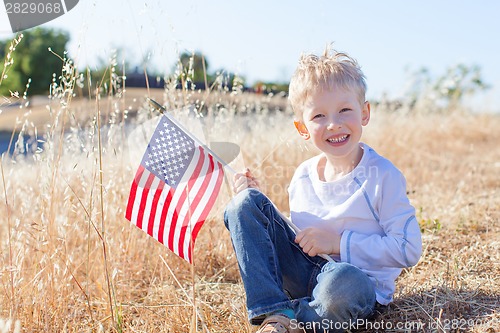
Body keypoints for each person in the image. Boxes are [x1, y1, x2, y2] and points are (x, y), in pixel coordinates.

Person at [224, 46, 422, 333]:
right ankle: (274, 313)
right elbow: (300, 240)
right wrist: (260, 203)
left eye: (344, 110)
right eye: (318, 116)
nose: (333, 124)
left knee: (342, 281)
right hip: (307, 276)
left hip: (354, 286)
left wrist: (338, 243)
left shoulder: (382, 176)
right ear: (302, 128)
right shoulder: (302, 176)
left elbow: (408, 249)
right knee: (243, 203)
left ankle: (298, 319)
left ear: (364, 112)